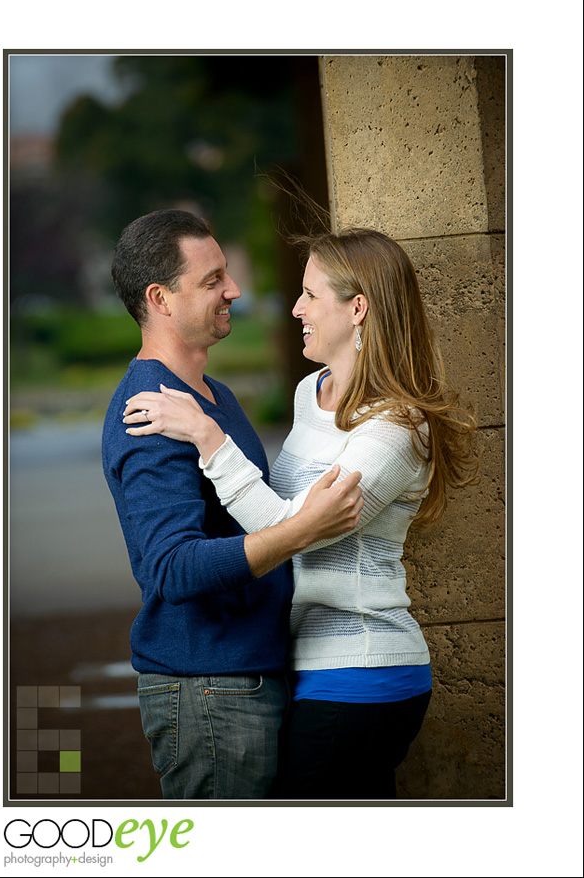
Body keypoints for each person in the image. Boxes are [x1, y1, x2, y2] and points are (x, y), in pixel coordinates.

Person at [123, 226, 479, 800]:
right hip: (306, 668)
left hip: (363, 669)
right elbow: (290, 521)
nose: (295, 308)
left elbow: (298, 530)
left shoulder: (395, 427)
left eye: (311, 294)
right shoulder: (310, 393)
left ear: (357, 308)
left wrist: (208, 438)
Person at [102, 210, 364, 800]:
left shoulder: (210, 398)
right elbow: (171, 568)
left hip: (246, 677)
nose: (234, 290)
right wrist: (300, 531)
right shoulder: (148, 414)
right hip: (207, 691)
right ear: (160, 299)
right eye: (213, 279)